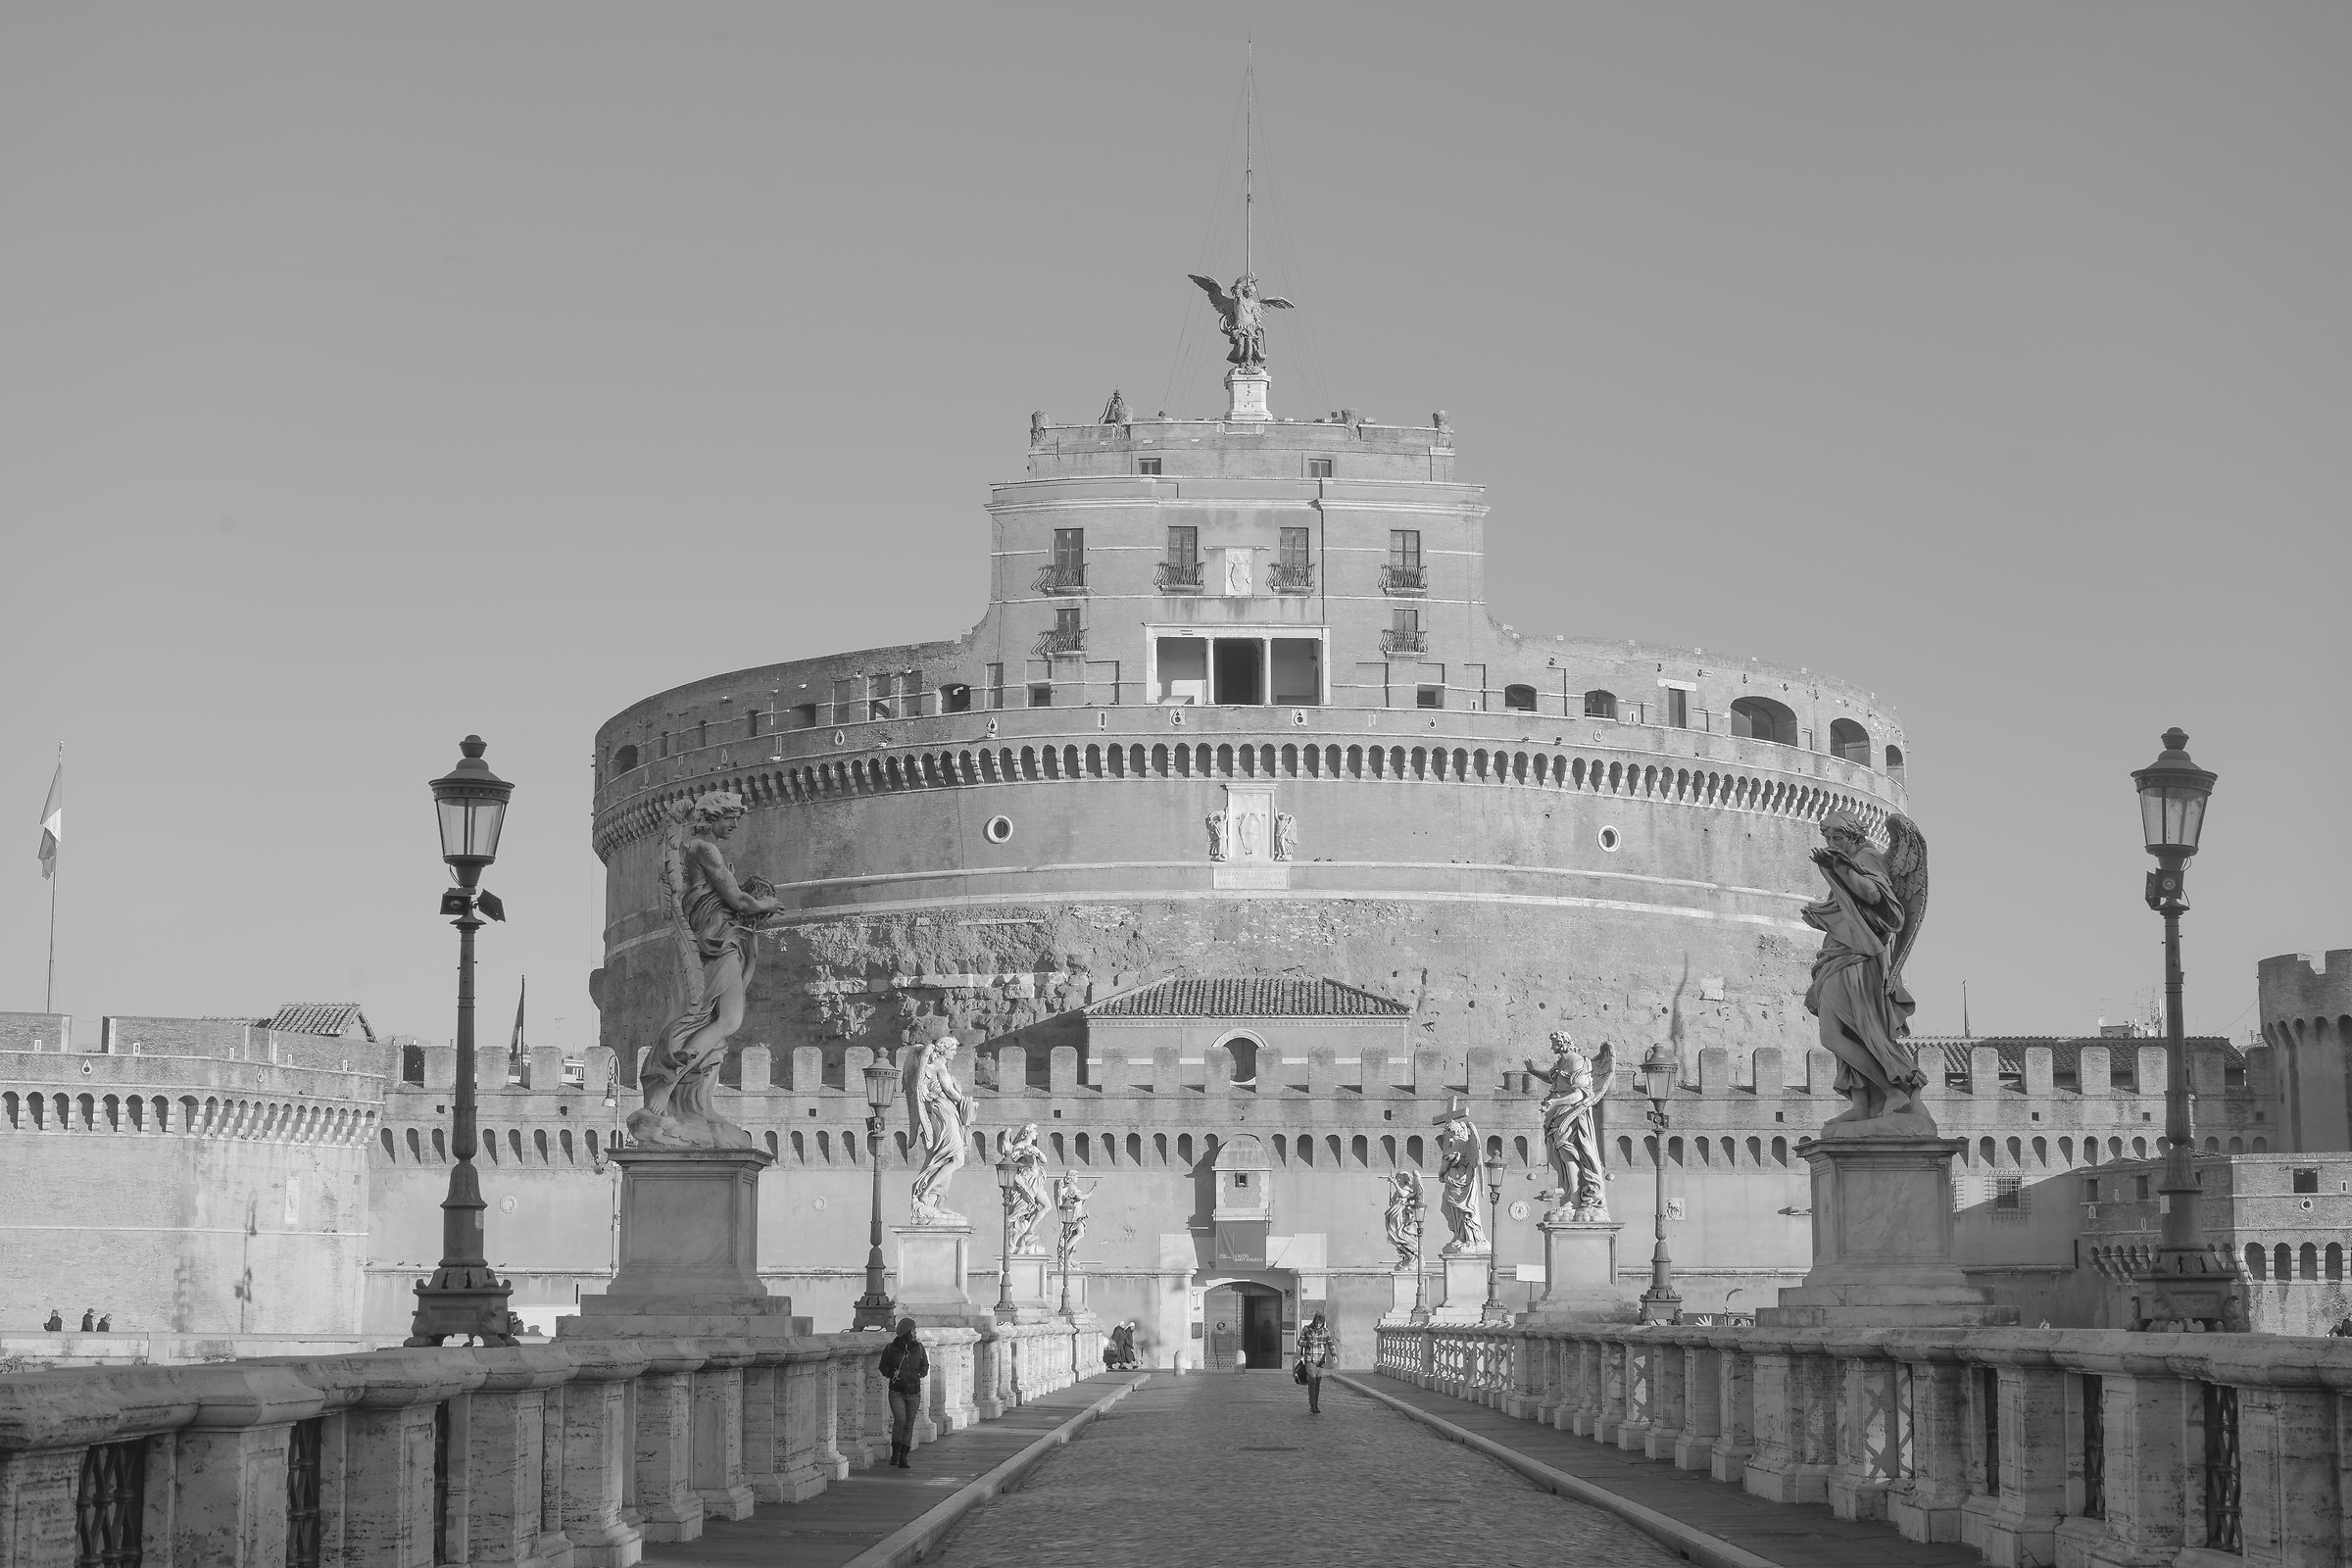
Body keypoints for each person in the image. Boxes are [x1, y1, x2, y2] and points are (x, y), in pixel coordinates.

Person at [877, 1318, 929, 1470]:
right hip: (897, 1391)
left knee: (909, 1424)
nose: (916, 1333)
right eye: (913, 1330)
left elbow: (925, 1365)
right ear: (907, 1333)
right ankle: (895, 1454)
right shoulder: (890, 1349)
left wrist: (920, 1373)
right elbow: (883, 1367)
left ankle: (903, 1458)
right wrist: (892, 1372)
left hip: (914, 1392)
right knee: (900, 1420)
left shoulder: (918, 1348)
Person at [1296, 1312, 1336, 1414]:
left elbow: (1331, 1343)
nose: (1319, 1325)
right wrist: (1308, 1343)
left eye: (1321, 1323)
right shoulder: (1306, 1329)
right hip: (1310, 1359)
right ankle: (1312, 1404)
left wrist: (1334, 1355)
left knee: (1317, 1383)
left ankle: (1316, 1405)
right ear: (1314, 1321)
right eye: (1317, 1322)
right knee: (1312, 1381)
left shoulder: (1326, 1332)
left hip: (1321, 1361)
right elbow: (1299, 1342)